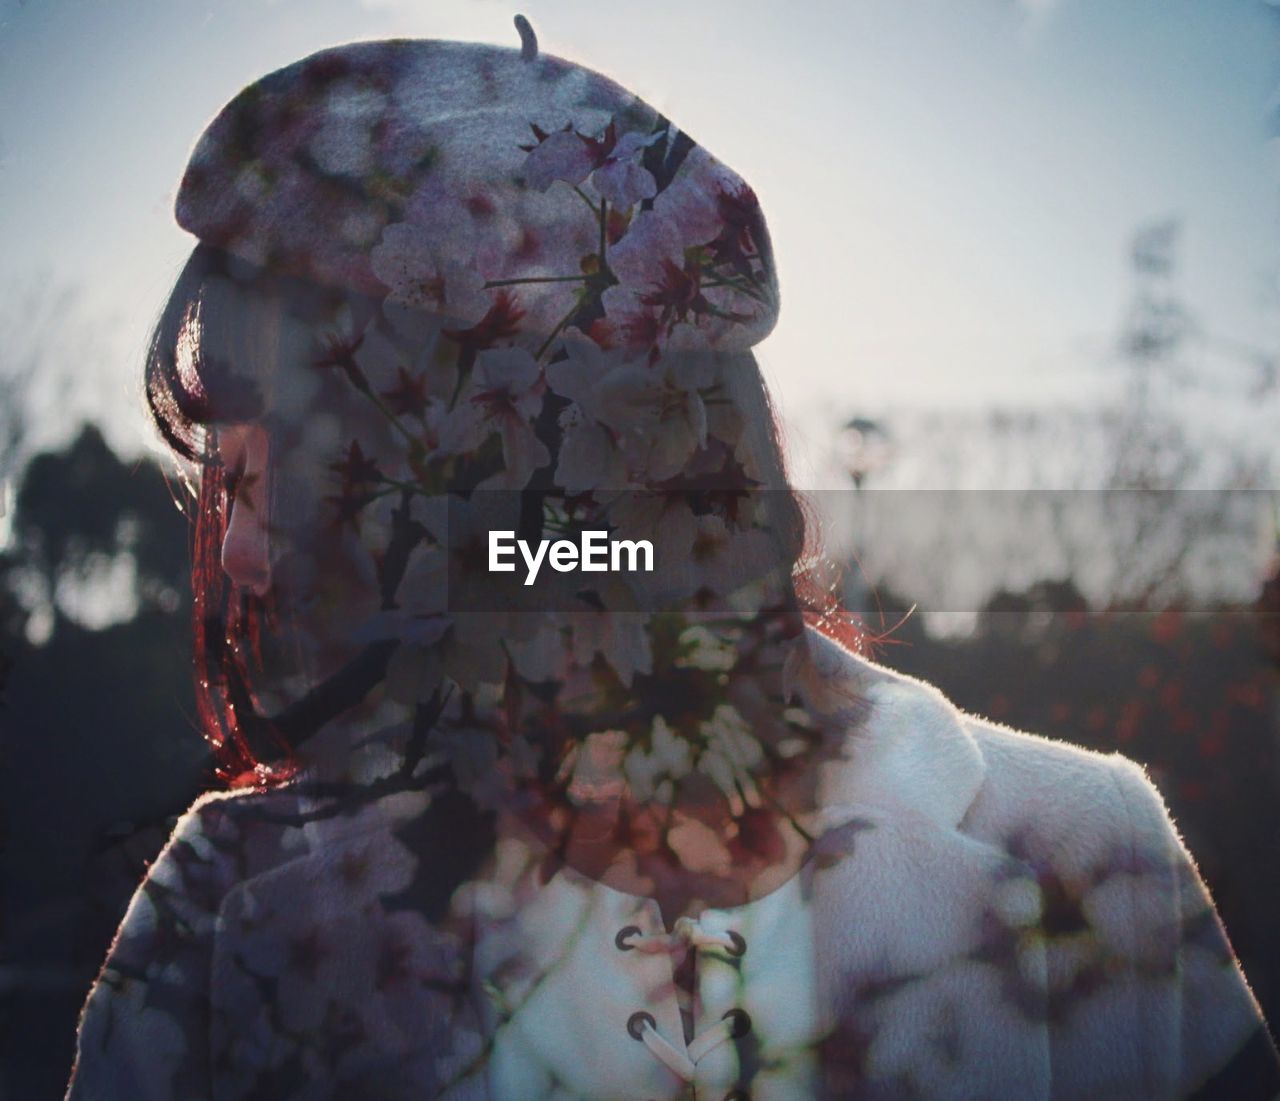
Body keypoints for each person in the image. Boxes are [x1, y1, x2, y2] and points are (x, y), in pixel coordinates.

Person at [65, 20, 1280, 1101]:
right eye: (224, 479)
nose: (242, 552)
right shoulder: (223, 909)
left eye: (280, 474)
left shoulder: (1082, 848)